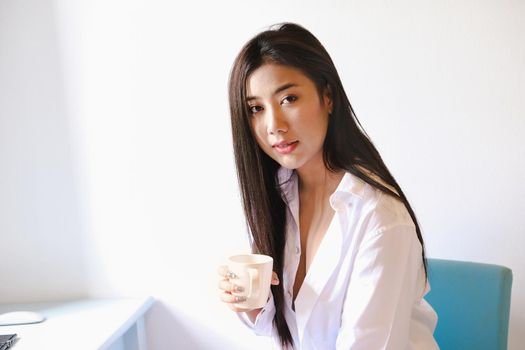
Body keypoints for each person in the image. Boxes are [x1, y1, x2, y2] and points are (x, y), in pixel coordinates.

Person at [218, 22, 439, 350]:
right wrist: (254, 304)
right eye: (256, 108)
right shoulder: (281, 192)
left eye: (289, 98)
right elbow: (293, 331)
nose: (274, 125)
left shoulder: (380, 219)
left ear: (328, 96)